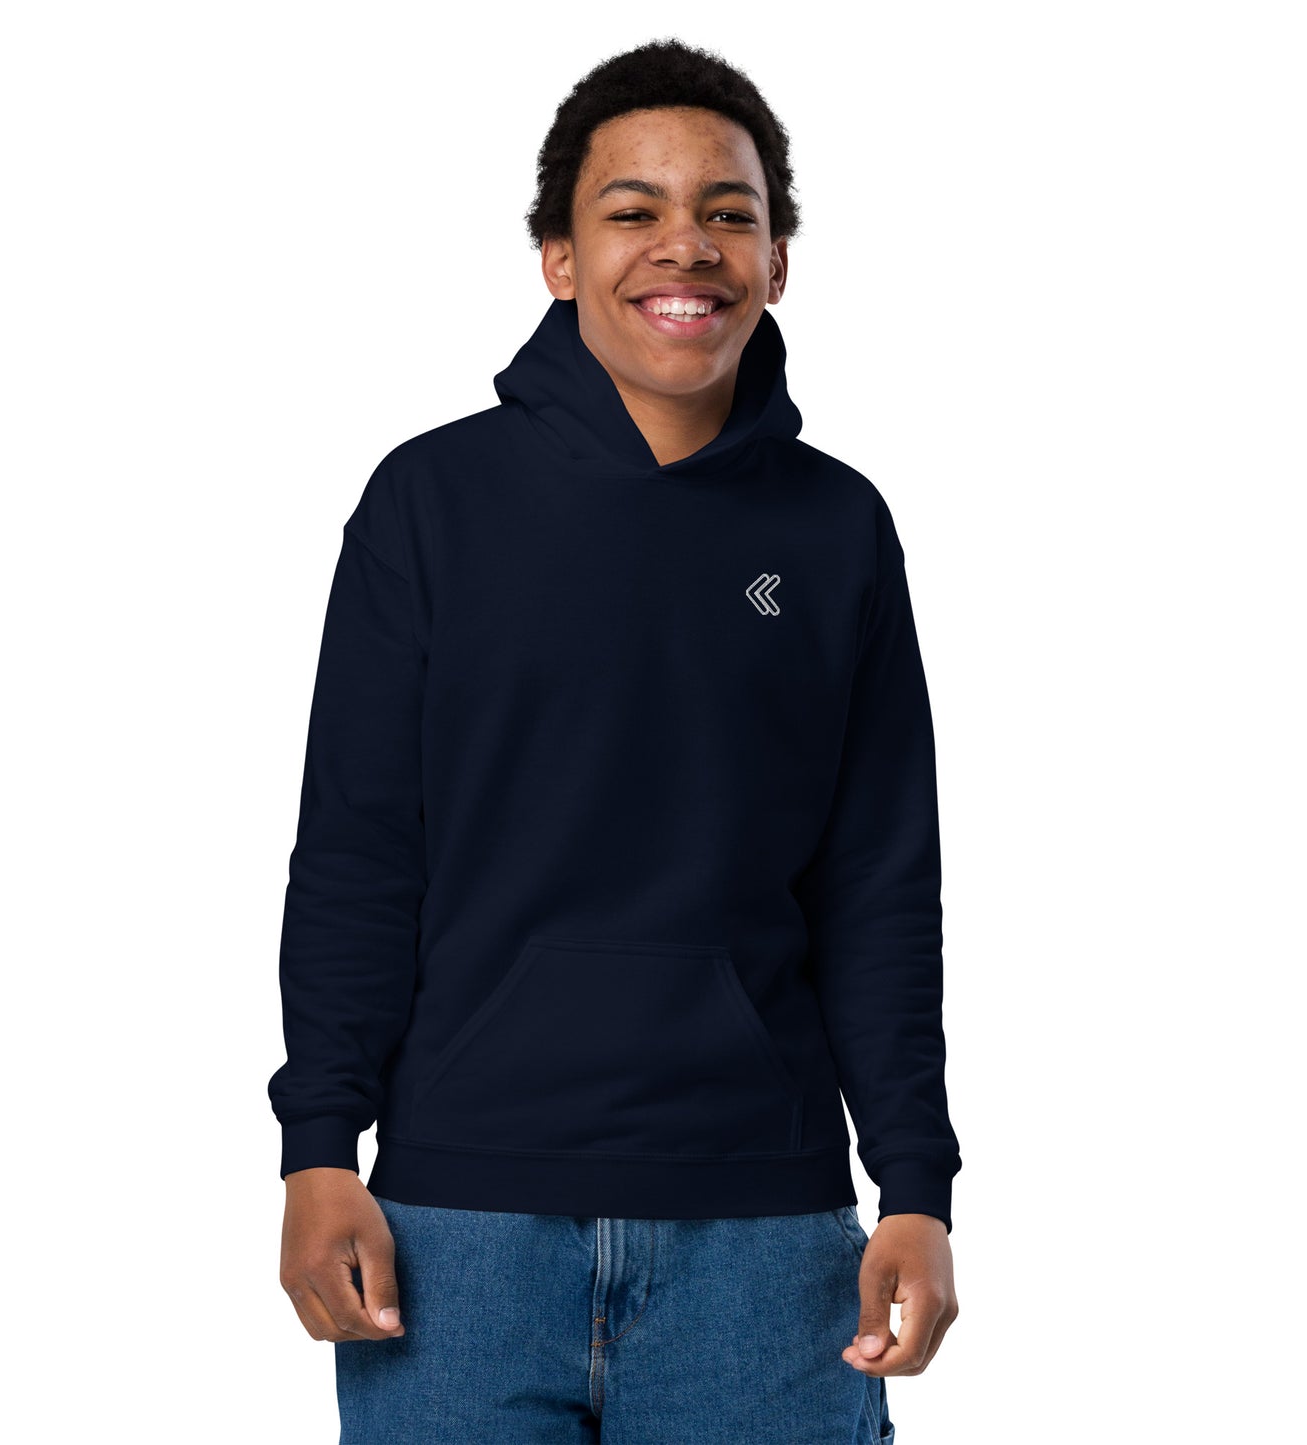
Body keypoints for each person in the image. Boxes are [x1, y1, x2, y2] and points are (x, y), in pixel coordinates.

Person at [268, 37, 961, 1444]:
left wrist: (916, 1186)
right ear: (559, 258)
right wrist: (317, 1148)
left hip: (764, 1245)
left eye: (729, 211)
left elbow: (878, 884)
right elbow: (358, 851)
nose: (685, 245)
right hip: (457, 1234)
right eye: (632, 209)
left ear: (776, 259)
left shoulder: (836, 529)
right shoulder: (431, 503)